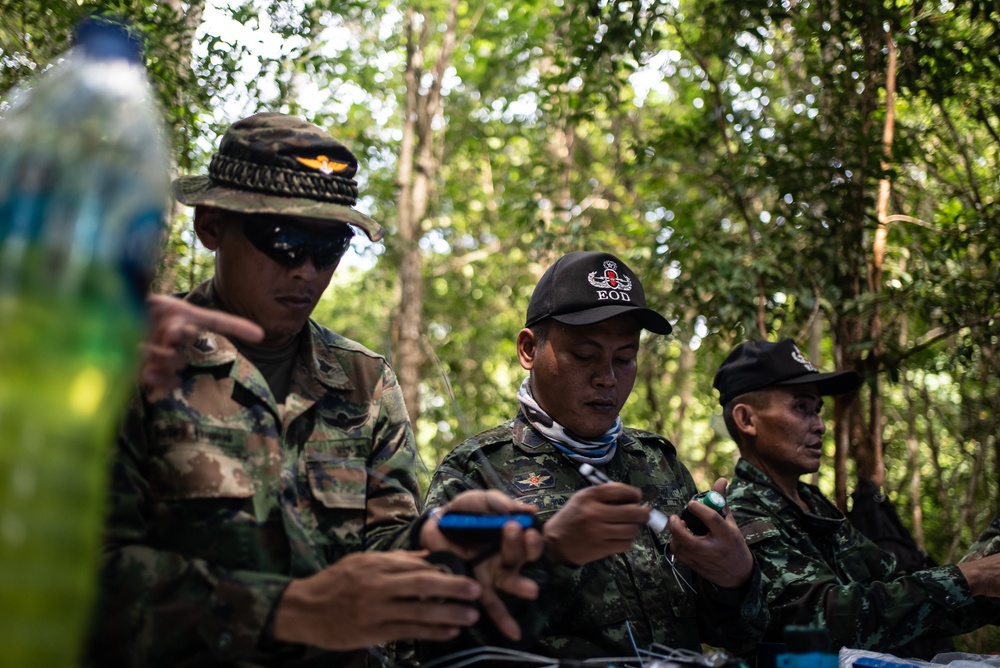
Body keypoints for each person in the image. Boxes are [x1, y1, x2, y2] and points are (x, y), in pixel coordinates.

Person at [84, 112, 543, 668]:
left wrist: (436, 541)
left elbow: (379, 545)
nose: (306, 271)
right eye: (283, 240)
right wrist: (284, 610)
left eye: (329, 248)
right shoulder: (126, 362)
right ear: (211, 226)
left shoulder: (363, 381)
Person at [422, 251, 768, 659]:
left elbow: (739, 635)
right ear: (529, 349)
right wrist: (549, 555)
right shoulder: (477, 471)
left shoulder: (658, 463)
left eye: (624, 358)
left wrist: (736, 580)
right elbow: (430, 642)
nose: (606, 378)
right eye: (585, 356)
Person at [715, 337, 1000, 656]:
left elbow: (905, 597)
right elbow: (823, 622)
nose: (820, 425)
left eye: (818, 410)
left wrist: (986, 569)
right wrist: (972, 577)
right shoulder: (742, 514)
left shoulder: (813, 504)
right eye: (801, 408)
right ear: (746, 420)